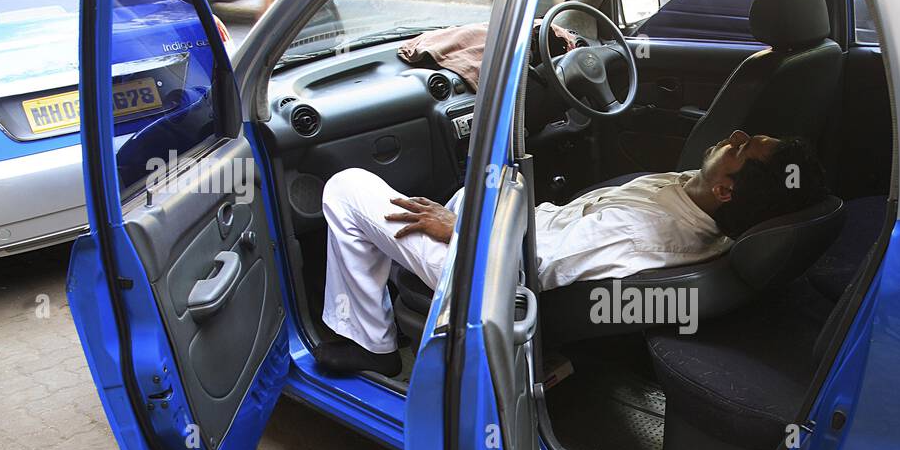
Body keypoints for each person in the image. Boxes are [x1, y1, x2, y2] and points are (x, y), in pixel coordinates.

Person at [315, 131, 829, 375]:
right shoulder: (688, 191)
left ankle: (371, 344)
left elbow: (532, 268)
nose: (733, 136)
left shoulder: (645, 233)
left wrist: (461, 230)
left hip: (490, 272)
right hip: (516, 229)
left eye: (741, 148)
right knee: (460, 194)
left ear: (726, 192)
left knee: (347, 186)